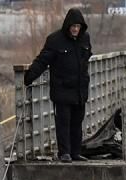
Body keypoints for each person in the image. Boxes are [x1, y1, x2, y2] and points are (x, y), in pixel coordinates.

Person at [25, 9, 94, 161]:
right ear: (68, 25)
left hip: (79, 90)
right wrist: (29, 76)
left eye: (78, 26)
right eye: (73, 26)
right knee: (63, 123)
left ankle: (75, 152)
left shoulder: (85, 38)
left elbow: (87, 57)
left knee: (77, 122)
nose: (75, 29)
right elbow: (43, 60)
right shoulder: (55, 40)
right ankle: (65, 153)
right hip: (62, 89)